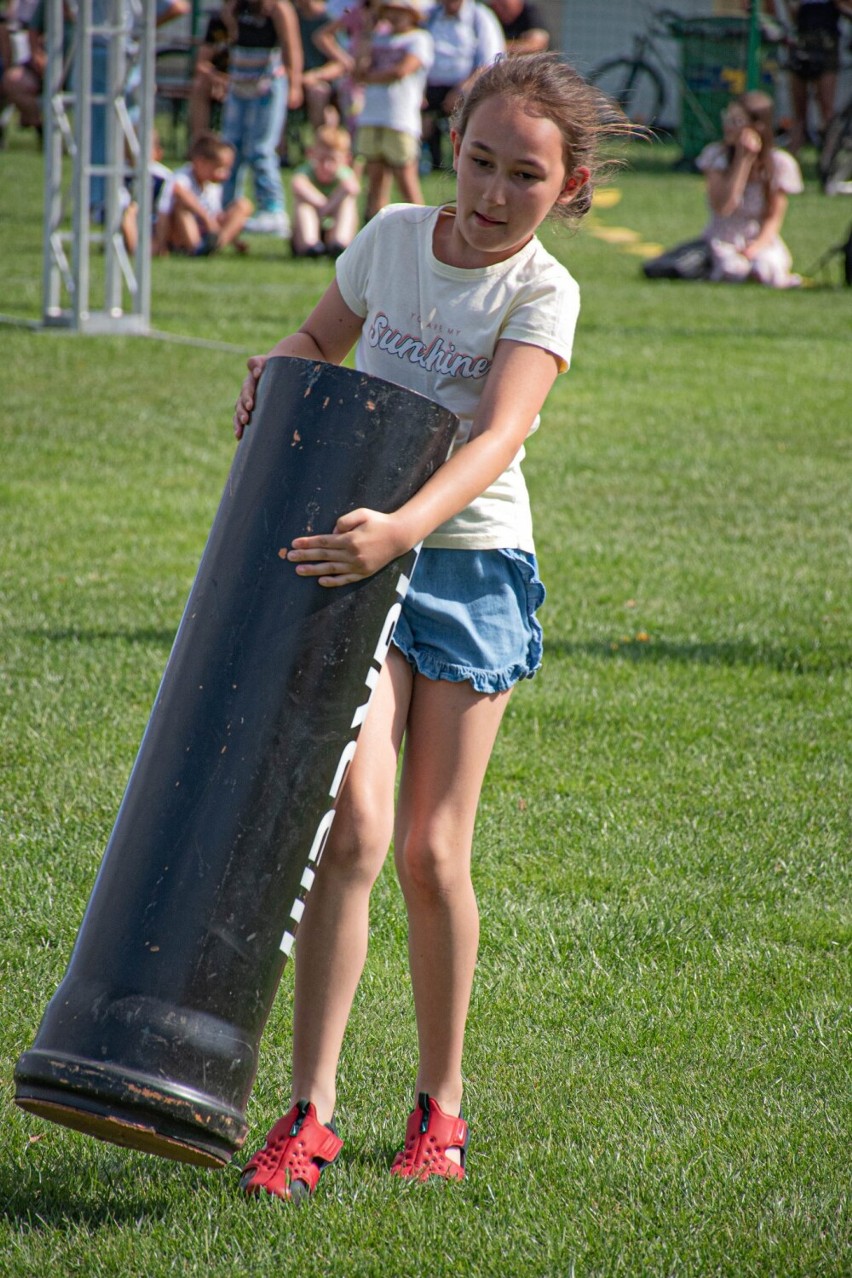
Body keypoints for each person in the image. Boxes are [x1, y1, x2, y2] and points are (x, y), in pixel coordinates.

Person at [231, 52, 630, 1202]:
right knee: (349, 832)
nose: (493, 194)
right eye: (480, 161)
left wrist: (401, 529)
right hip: (360, 553)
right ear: (449, 145)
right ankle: (310, 1113)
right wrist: (280, 368)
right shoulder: (395, 237)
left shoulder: (544, 291)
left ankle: (440, 1108)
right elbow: (317, 343)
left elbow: (498, 437)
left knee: (429, 849)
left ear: (570, 186)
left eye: (525, 175)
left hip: (466, 565)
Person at [698, 90, 803, 286]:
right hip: (723, 238)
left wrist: (755, 248)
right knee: (733, 270)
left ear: (758, 127)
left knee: (766, 269)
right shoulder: (715, 156)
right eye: (727, 119)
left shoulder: (779, 164)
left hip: (760, 239)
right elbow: (722, 207)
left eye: (737, 122)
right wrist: (742, 160)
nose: (728, 126)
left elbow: (773, 216)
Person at [220, 0, 304, 237]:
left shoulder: (278, 8)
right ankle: (227, 206)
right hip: (239, 81)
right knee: (230, 145)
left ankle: (272, 208)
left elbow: (292, 47)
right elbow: (231, 37)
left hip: (267, 84)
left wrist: (295, 85)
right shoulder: (236, 7)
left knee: (260, 148)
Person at [353, 0, 434, 218]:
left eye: (401, 10)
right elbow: (357, 69)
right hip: (371, 116)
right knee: (374, 182)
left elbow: (402, 70)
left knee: (405, 179)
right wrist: (367, 33)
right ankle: (373, 233)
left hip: (401, 118)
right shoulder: (377, 38)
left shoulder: (420, 38)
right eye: (391, 10)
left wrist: (369, 78)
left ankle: (423, 227)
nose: (395, 14)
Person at [421, 0, 504, 171]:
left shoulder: (480, 16)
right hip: (429, 87)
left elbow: (490, 60)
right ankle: (431, 164)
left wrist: (461, 90)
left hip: (467, 86)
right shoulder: (430, 16)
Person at [155, 130, 253, 255]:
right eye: (220, 169)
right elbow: (178, 192)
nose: (226, 175)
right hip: (179, 232)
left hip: (205, 230)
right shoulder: (182, 177)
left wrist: (234, 240)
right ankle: (196, 247)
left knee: (243, 205)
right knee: (182, 207)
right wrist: (207, 220)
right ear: (200, 162)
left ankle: (215, 244)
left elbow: (215, 214)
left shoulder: (212, 186)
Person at [783, 0, 852, 154]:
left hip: (826, 43)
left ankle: (828, 158)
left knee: (826, 110)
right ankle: (792, 157)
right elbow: (794, 15)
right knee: (799, 113)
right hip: (802, 41)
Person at [290, 121, 361, 255]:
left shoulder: (343, 174)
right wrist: (322, 204)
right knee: (304, 205)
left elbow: (352, 187)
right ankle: (309, 244)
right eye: (321, 159)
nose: (327, 166)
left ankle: (340, 243)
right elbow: (297, 184)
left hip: (333, 225)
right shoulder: (306, 172)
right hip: (311, 224)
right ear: (311, 154)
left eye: (332, 160)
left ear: (345, 160)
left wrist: (328, 206)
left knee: (347, 203)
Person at [188, 2, 231, 145]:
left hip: (249, 79)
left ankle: (281, 153)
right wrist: (216, 78)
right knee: (199, 85)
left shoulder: (256, 20)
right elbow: (201, 63)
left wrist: (231, 81)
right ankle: (201, 145)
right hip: (218, 78)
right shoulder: (216, 23)